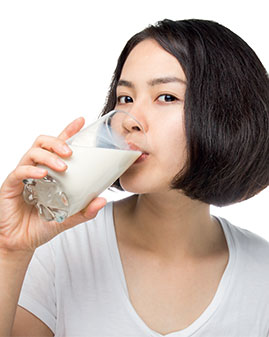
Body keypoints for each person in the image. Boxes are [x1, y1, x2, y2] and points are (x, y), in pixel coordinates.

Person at [0, 18, 268, 337]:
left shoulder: (261, 275)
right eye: (125, 98)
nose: (131, 121)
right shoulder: (58, 247)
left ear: (226, 115)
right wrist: (10, 252)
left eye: (166, 97)